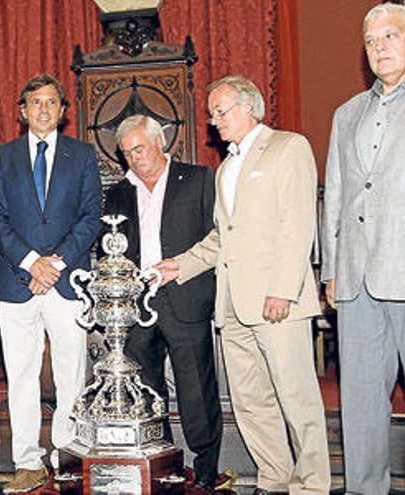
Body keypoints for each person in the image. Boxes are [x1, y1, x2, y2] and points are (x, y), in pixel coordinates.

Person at [157, 76, 330, 494]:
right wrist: (177, 266)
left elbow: (298, 223)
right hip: (232, 305)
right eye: (212, 113)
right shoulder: (226, 169)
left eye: (222, 110)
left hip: (276, 300)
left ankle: (311, 485)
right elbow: (222, 237)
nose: (215, 121)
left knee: (296, 398)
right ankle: (274, 478)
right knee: (251, 402)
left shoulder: (288, 147)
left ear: (249, 106)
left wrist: (283, 289)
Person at [0, 74, 102, 494]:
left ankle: (65, 455)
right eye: (36, 102)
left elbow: (91, 217)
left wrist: (56, 263)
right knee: (20, 375)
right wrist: (33, 263)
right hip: (18, 284)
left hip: (68, 281)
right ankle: (28, 462)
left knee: (71, 373)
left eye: (52, 102)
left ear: (64, 111)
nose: (44, 109)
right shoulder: (2, 157)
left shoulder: (82, 155)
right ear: (22, 110)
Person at [103, 114, 221, 493]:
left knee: (195, 387)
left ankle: (205, 465)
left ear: (160, 143)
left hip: (186, 294)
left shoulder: (200, 178)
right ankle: (164, 458)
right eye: (126, 153)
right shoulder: (118, 192)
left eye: (139, 148)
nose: (134, 158)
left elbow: (217, 236)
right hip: (137, 302)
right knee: (148, 389)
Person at [321, 3, 405, 493]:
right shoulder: (346, 113)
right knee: (361, 401)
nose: (380, 48)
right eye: (372, 41)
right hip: (356, 279)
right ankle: (364, 487)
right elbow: (335, 194)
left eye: (391, 36)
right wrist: (332, 269)